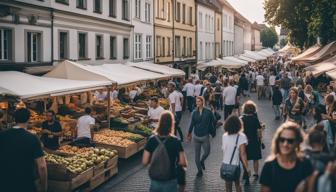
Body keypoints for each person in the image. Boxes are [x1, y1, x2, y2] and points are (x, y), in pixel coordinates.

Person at [0, 108, 47, 192]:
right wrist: (44, 187)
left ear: (14, 119)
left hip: (5, 182)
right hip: (25, 183)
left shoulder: (2, 135)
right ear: (29, 119)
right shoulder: (33, 138)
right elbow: (42, 166)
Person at [260, 122, 313, 192]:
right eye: (282, 140)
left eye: (290, 141)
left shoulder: (305, 164)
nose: (285, 144)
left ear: (298, 142)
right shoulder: (269, 166)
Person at [143, 111, 187, 192]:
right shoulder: (175, 141)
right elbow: (183, 162)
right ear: (172, 123)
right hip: (171, 179)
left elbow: (145, 161)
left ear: (160, 122)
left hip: (155, 180)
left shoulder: (152, 140)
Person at [188, 96, 216, 177]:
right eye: (196, 102)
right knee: (197, 155)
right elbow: (192, 124)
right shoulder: (194, 112)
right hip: (196, 136)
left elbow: (214, 120)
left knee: (207, 152)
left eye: (199, 101)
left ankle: (202, 161)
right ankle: (199, 171)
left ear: (202, 102)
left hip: (205, 136)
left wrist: (212, 129)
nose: (197, 103)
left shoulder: (208, 111)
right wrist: (189, 134)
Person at [221, 115, 250, 192]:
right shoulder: (241, 136)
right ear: (239, 125)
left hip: (225, 164)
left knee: (228, 187)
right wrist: (247, 168)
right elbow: (243, 154)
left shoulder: (224, 136)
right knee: (238, 185)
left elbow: (224, 150)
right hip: (235, 165)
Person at [241, 101, 262, 183]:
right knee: (255, 158)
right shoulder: (255, 119)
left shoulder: (242, 119)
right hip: (254, 141)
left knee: (245, 158)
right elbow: (259, 132)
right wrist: (260, 139)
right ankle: (256, 173)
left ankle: (246, 172)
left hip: (245, 141)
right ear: (254, 110)